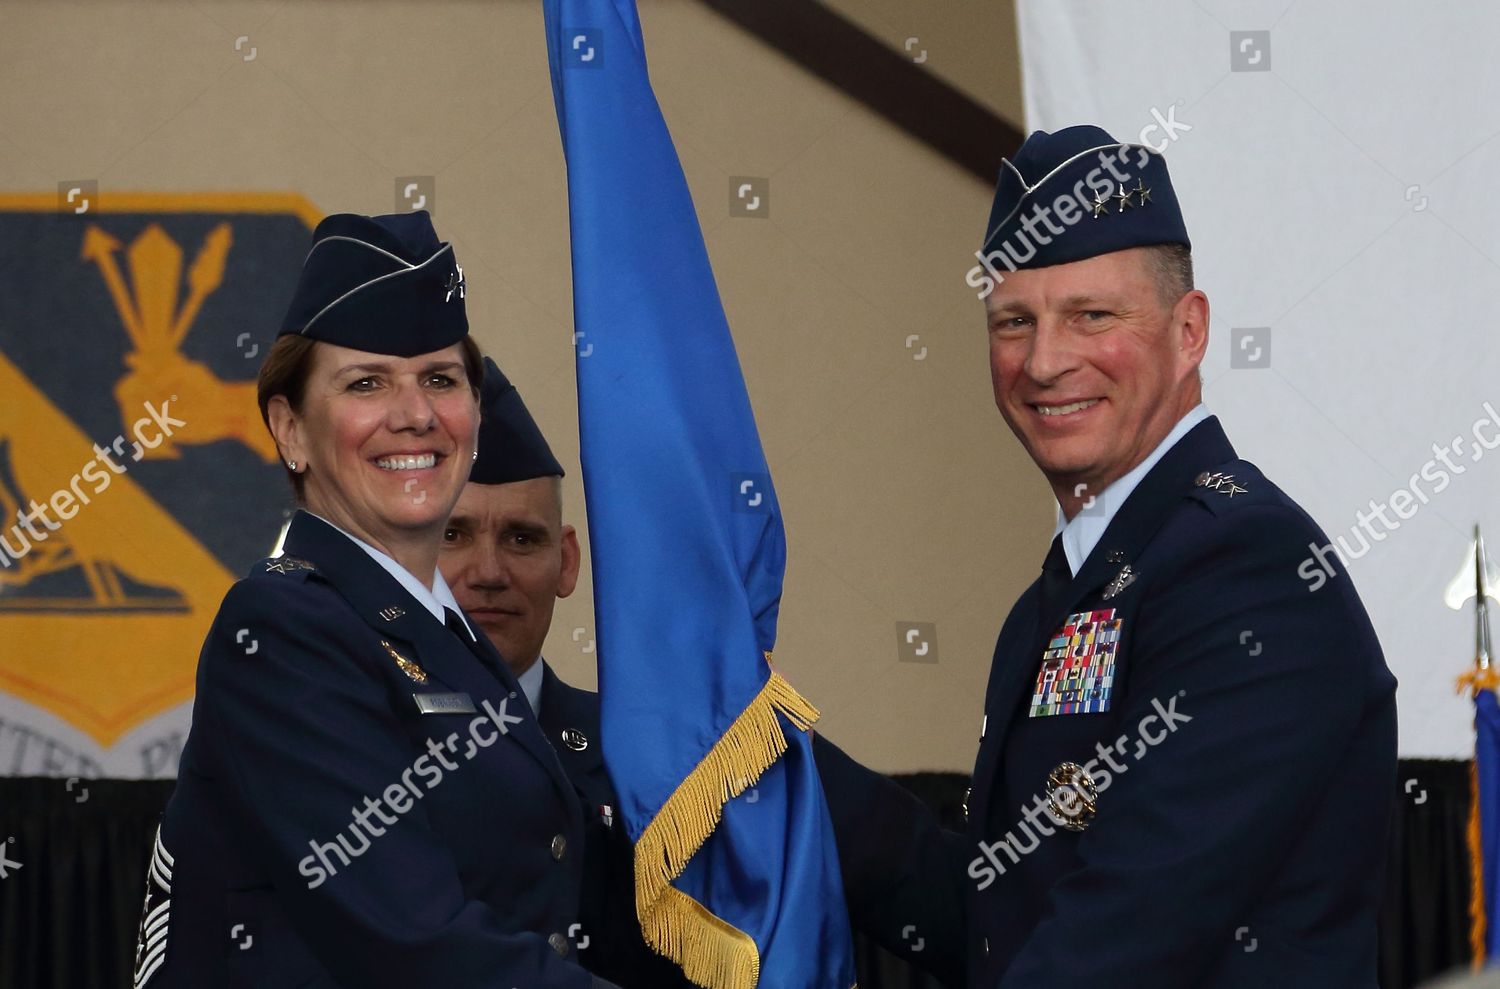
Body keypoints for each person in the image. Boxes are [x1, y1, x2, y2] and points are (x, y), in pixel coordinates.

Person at [814, 125, 1399, 987]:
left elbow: (1120, 941)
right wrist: (761, 753)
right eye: (1014, 321)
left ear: (1189, 331)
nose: (1045, 361)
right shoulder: (1065, 595)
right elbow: (994, 916)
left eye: (1092, 315)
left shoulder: (1252, 572)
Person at [133, 211, 619, 989]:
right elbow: (416, 942)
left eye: (440, 378)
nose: (416, 414)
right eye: (367, 382)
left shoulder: (447, 638)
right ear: (290, 430)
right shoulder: (282, 631)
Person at [437, 356, 696, 988]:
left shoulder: (645, 753)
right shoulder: (350, 740)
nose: (489, 572)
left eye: (523, 539)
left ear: (567, 561)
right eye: (454, 535)